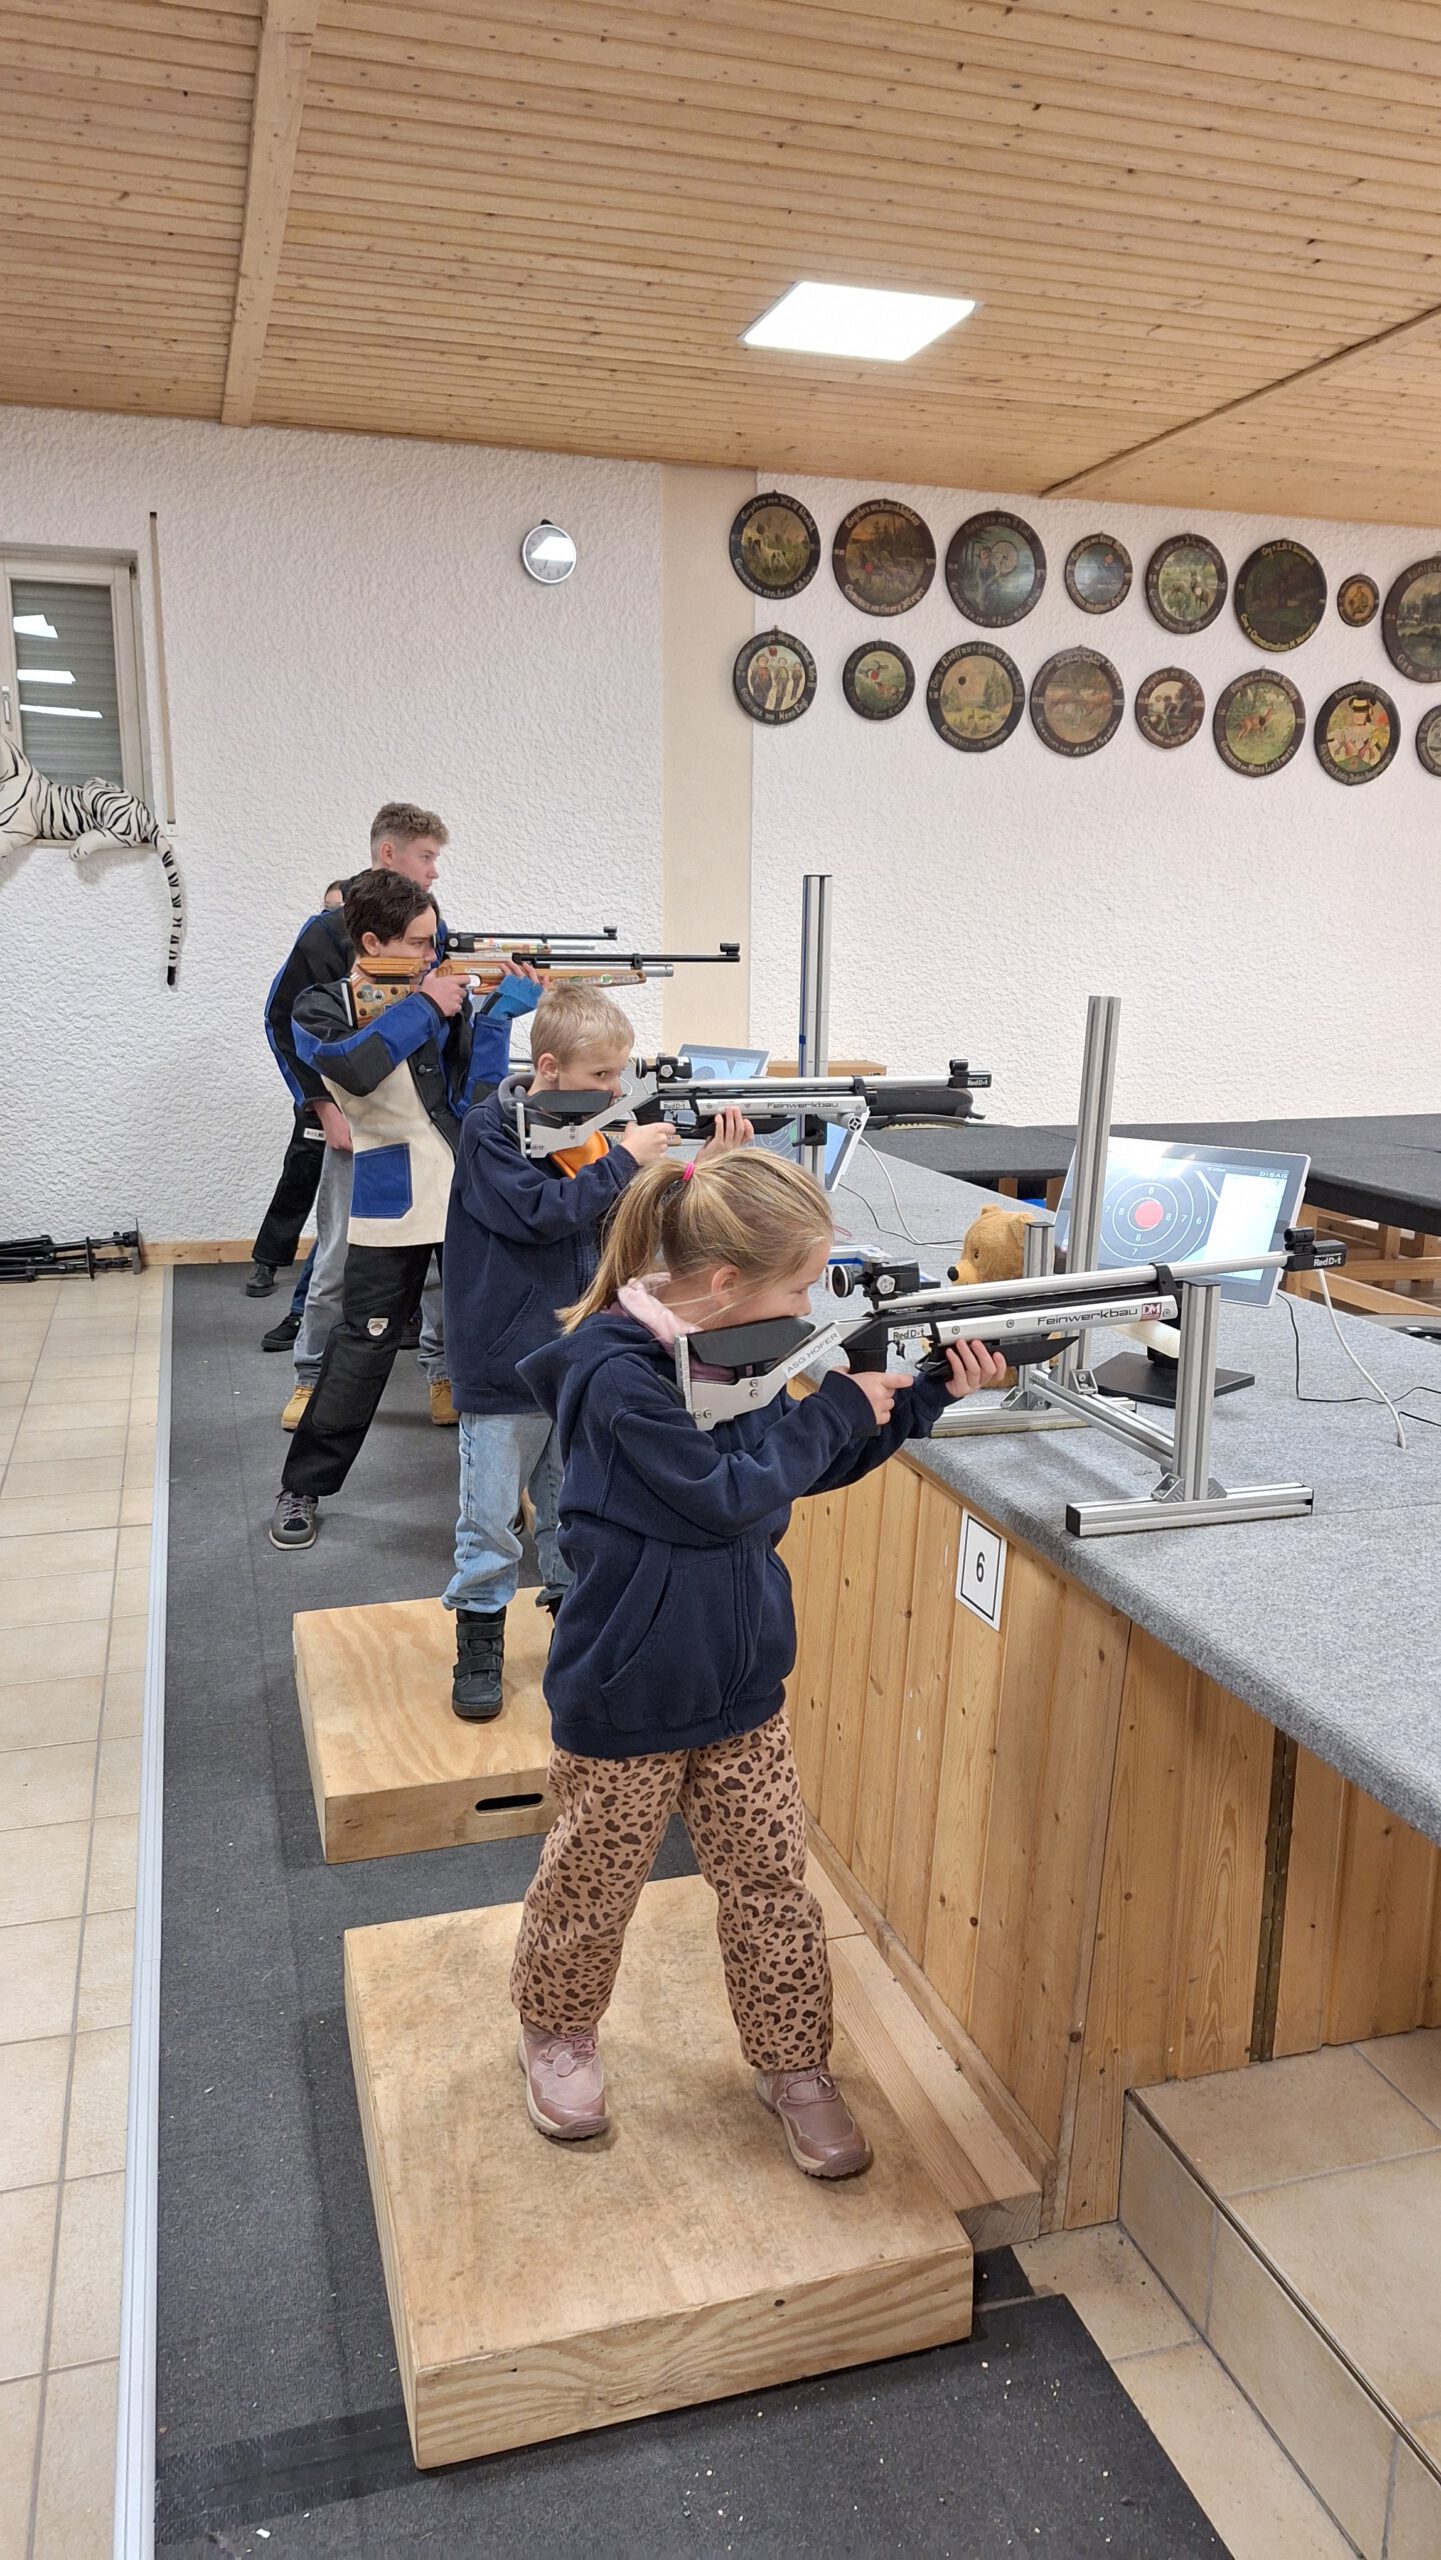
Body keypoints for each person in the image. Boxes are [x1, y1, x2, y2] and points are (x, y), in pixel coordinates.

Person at [508, 1149, 1008, 2177]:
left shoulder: (726, 1347)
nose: (807, 1308)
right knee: (591, 1887)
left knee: (773, 1888)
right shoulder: (616, 1378)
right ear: (728, 1281)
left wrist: (918, 1398)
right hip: (626, 1694)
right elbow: (722, 1493)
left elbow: (793, 1463)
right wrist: (836, 1404)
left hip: (741, 1692)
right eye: (798, 1288)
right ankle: (556, 2031)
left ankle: (794, 2066)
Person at [440, 983, 749, 1719]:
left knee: (570, 1511)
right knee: (489, 1518)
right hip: (503, 1365)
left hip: (579, 1360)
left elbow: (635, 1220)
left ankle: (570, 1620)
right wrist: (623, 1159)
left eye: (620, 1074)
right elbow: (538, 1214)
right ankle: (478, 1636)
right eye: (601, 1075)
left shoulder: (597, 1134)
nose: (615, 1089)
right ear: (548, 1068)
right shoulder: (490, 1130)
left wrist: (700, 1168)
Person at [267, 872, 538, 1549]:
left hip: (465, 1191)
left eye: (433, 942)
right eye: (419, 943)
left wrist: (496, 1019)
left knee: (483, 1346)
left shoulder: (439, 1000)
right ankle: (303, 1486)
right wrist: (425, 1005)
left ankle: (495, 1494)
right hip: (390, 1193)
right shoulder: (320, 1005)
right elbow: (351, 1069)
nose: (431, 954)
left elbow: (479, 1100)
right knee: (363, 1344)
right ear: (371, 942)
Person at [269, 805, 495, 1432]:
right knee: (337, 1265)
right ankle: (311, 1378)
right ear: (390, 853)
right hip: (360, 1124)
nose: (435, 870)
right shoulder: (325, 936)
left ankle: (443, 1372)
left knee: (442, 1274)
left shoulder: (428, 930)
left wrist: (494, 1011)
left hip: (430, 1138)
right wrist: (321, 1105)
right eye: (427, 857)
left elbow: (465, 1069)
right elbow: (295, 1029)